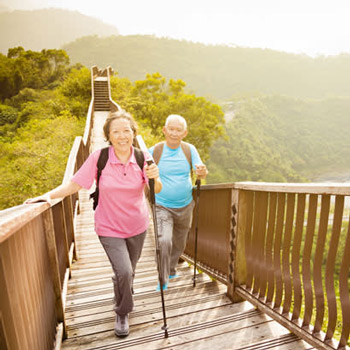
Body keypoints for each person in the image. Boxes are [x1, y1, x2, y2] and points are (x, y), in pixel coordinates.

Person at [25, 110, 162, 338]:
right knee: (125, 271)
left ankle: (121, 286)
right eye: (115, 131)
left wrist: (156, 177)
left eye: (126, 130)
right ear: (108, 135)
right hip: (109, 226)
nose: (122, 136)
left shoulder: (143, 157)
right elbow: (75, 184)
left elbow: (155, 191)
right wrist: (48, 196)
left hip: (138, 225)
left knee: (129, 271)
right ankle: (122, 311)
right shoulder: (99, 158)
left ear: (133, 133)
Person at [149, 114, 208, 291]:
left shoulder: (189, 150)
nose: (174, 133)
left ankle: (172, 267)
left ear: (185, 133)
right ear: (164, 130)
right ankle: (163, 275)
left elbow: (201, 172)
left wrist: (202, 172)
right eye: (171, 129)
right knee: (164, 241)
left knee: (180, 242)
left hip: (185, 205)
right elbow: (142, 173)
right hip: (161, 205)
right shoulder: (154, 151)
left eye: (178, 130)